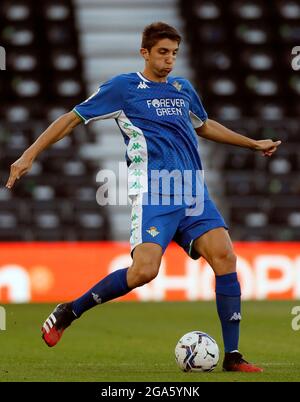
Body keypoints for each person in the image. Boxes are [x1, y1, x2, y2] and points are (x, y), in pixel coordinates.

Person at [6, 22, 281, 372]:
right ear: (145, 53)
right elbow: (71, 119)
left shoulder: (183, 88)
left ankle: (232, 356)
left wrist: (252, 143)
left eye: (175, 53)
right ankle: (70, 311)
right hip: (154, 192)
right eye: (163, 52)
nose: (169, 60)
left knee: (225, 256)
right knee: (144, 272)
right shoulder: (124, 88)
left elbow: (204, 124)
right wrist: (29, 154)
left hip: (193, 193)